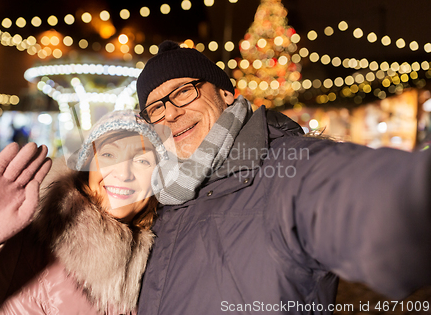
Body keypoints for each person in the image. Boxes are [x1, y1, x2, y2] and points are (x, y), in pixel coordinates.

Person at [134, 40, 431, 314]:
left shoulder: (288, 167)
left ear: (225, 93)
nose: (170, 114)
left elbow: (380, 200)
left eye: (184, 91)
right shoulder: (152, 201)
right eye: (156, 108)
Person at [0, 110, 165, 315]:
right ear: (87, 168)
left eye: (142, 161)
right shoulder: (29, 243)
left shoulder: (166, 257)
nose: (123, 173)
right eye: (108, 155)